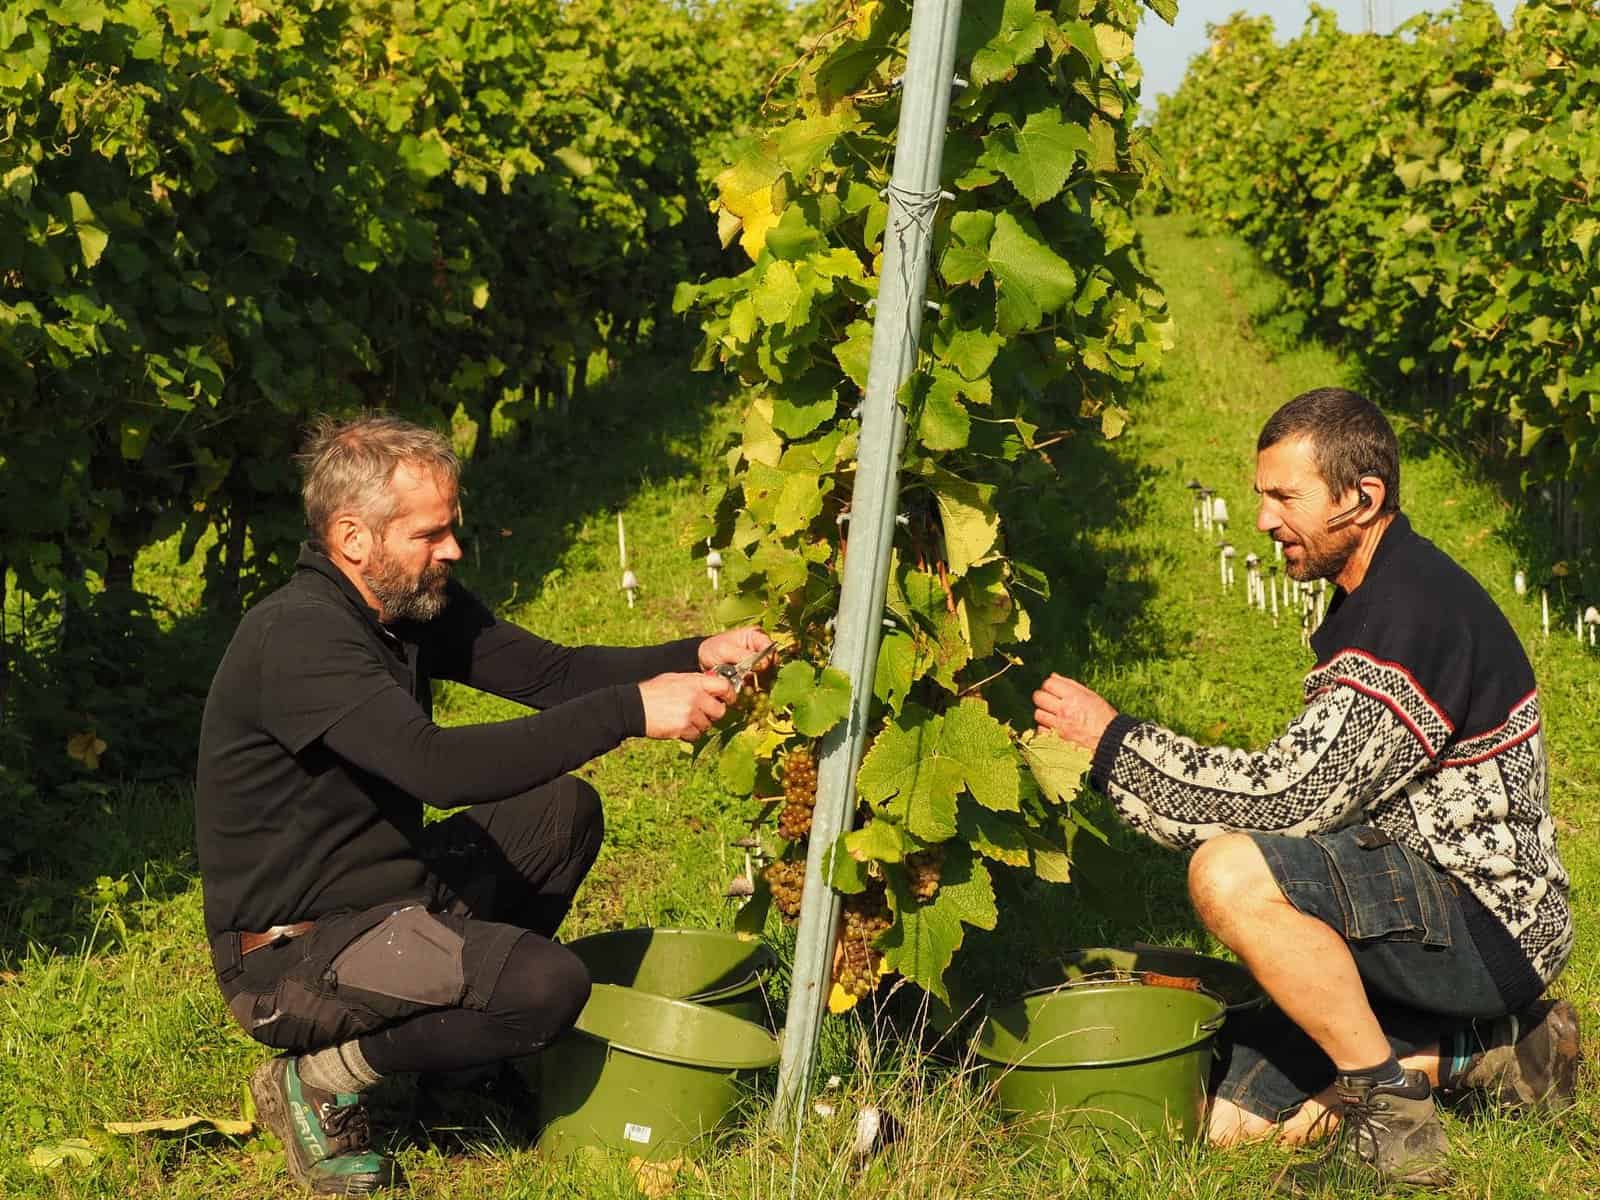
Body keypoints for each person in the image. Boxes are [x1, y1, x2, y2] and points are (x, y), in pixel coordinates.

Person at [195, 414, 767, 1195]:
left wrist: (692, 654)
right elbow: (439, 769)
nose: (453, 550)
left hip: (385, 901)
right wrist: (632, 711)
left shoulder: (403, 603)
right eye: (430, 534)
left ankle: (452, 1058)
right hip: (292, 957)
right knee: (546, 990)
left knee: (559, 813)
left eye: (451, 528)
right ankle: (326, 1075)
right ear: (353, 537)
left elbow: (550, 675)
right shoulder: (301, 638)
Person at [1033, 389, 1578, 1192]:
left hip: (1484, 920)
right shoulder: (1377, 589)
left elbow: (1290, 799)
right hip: (1410, 899)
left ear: (1363, 498)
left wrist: (1114, 743)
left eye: (1284, 496)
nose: (1262, 519)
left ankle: (1390, 1109)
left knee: (1228, 872)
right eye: (1260, 495)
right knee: (1236, 1134)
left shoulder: (1411, 617)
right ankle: (1490, 1049)